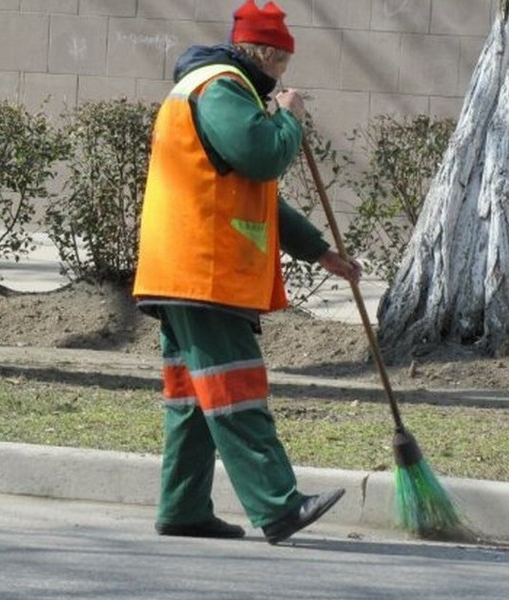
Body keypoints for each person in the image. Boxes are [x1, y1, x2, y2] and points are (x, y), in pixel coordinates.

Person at [132, 0, 362, 545]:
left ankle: (183, 508)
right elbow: (263, 158)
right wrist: (289, 117)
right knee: (235, 390)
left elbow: (255, 194)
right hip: (204, 271)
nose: (282, 76)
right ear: (266, 54)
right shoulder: (222, 87)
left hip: (184, 268)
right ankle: (280, 507)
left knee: (195, 399)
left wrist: (319, 251)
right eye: (281, 63)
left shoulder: (213, 88)